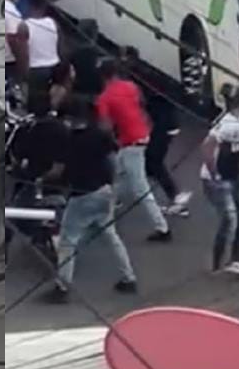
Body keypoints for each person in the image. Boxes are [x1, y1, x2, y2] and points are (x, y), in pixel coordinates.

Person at [47, 96, 138, 303]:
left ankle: (62, 287)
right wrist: (113, 187)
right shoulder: (100, 135)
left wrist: (42, 177)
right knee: (111, 236)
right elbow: (114, 161)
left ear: (69, 118)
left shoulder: (68, 140)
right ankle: (128, 277)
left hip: (80, 196)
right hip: (104, 192)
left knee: (68, 242)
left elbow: (59, 171)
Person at [95, 56, 172, 241]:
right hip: (141, 135)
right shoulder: (131, 86)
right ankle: (105, 219)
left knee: (140, 189)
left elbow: (105, 127)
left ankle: (162, 228)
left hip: (130, 143)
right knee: (117, 181)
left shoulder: (104, 98)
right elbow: (140, 104)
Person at [126, 47, 191, 216]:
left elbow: (141, 101)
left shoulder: (137, 77)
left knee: (153, 161)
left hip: (165, 124)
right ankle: (170, 196)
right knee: (150, 163)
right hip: (167, 122)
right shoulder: (146, 73)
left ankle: (177, 198)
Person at [200, 86, 239, 277]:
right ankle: (218, 263)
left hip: (235, 174)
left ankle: (236, 260)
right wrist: (215, 175)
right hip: (219, 179)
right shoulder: (227, 123)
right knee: (230, 218)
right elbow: (207, 148)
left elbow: (237, 147)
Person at [20, 0, 61, 103]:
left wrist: (24, 74)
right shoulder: (53, 23)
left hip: (36, 69)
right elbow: (59, 45)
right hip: (54, 65)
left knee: (36, 102)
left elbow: (23, 54)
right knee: (50, 98)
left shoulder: (24, 26)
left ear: (30, 6)